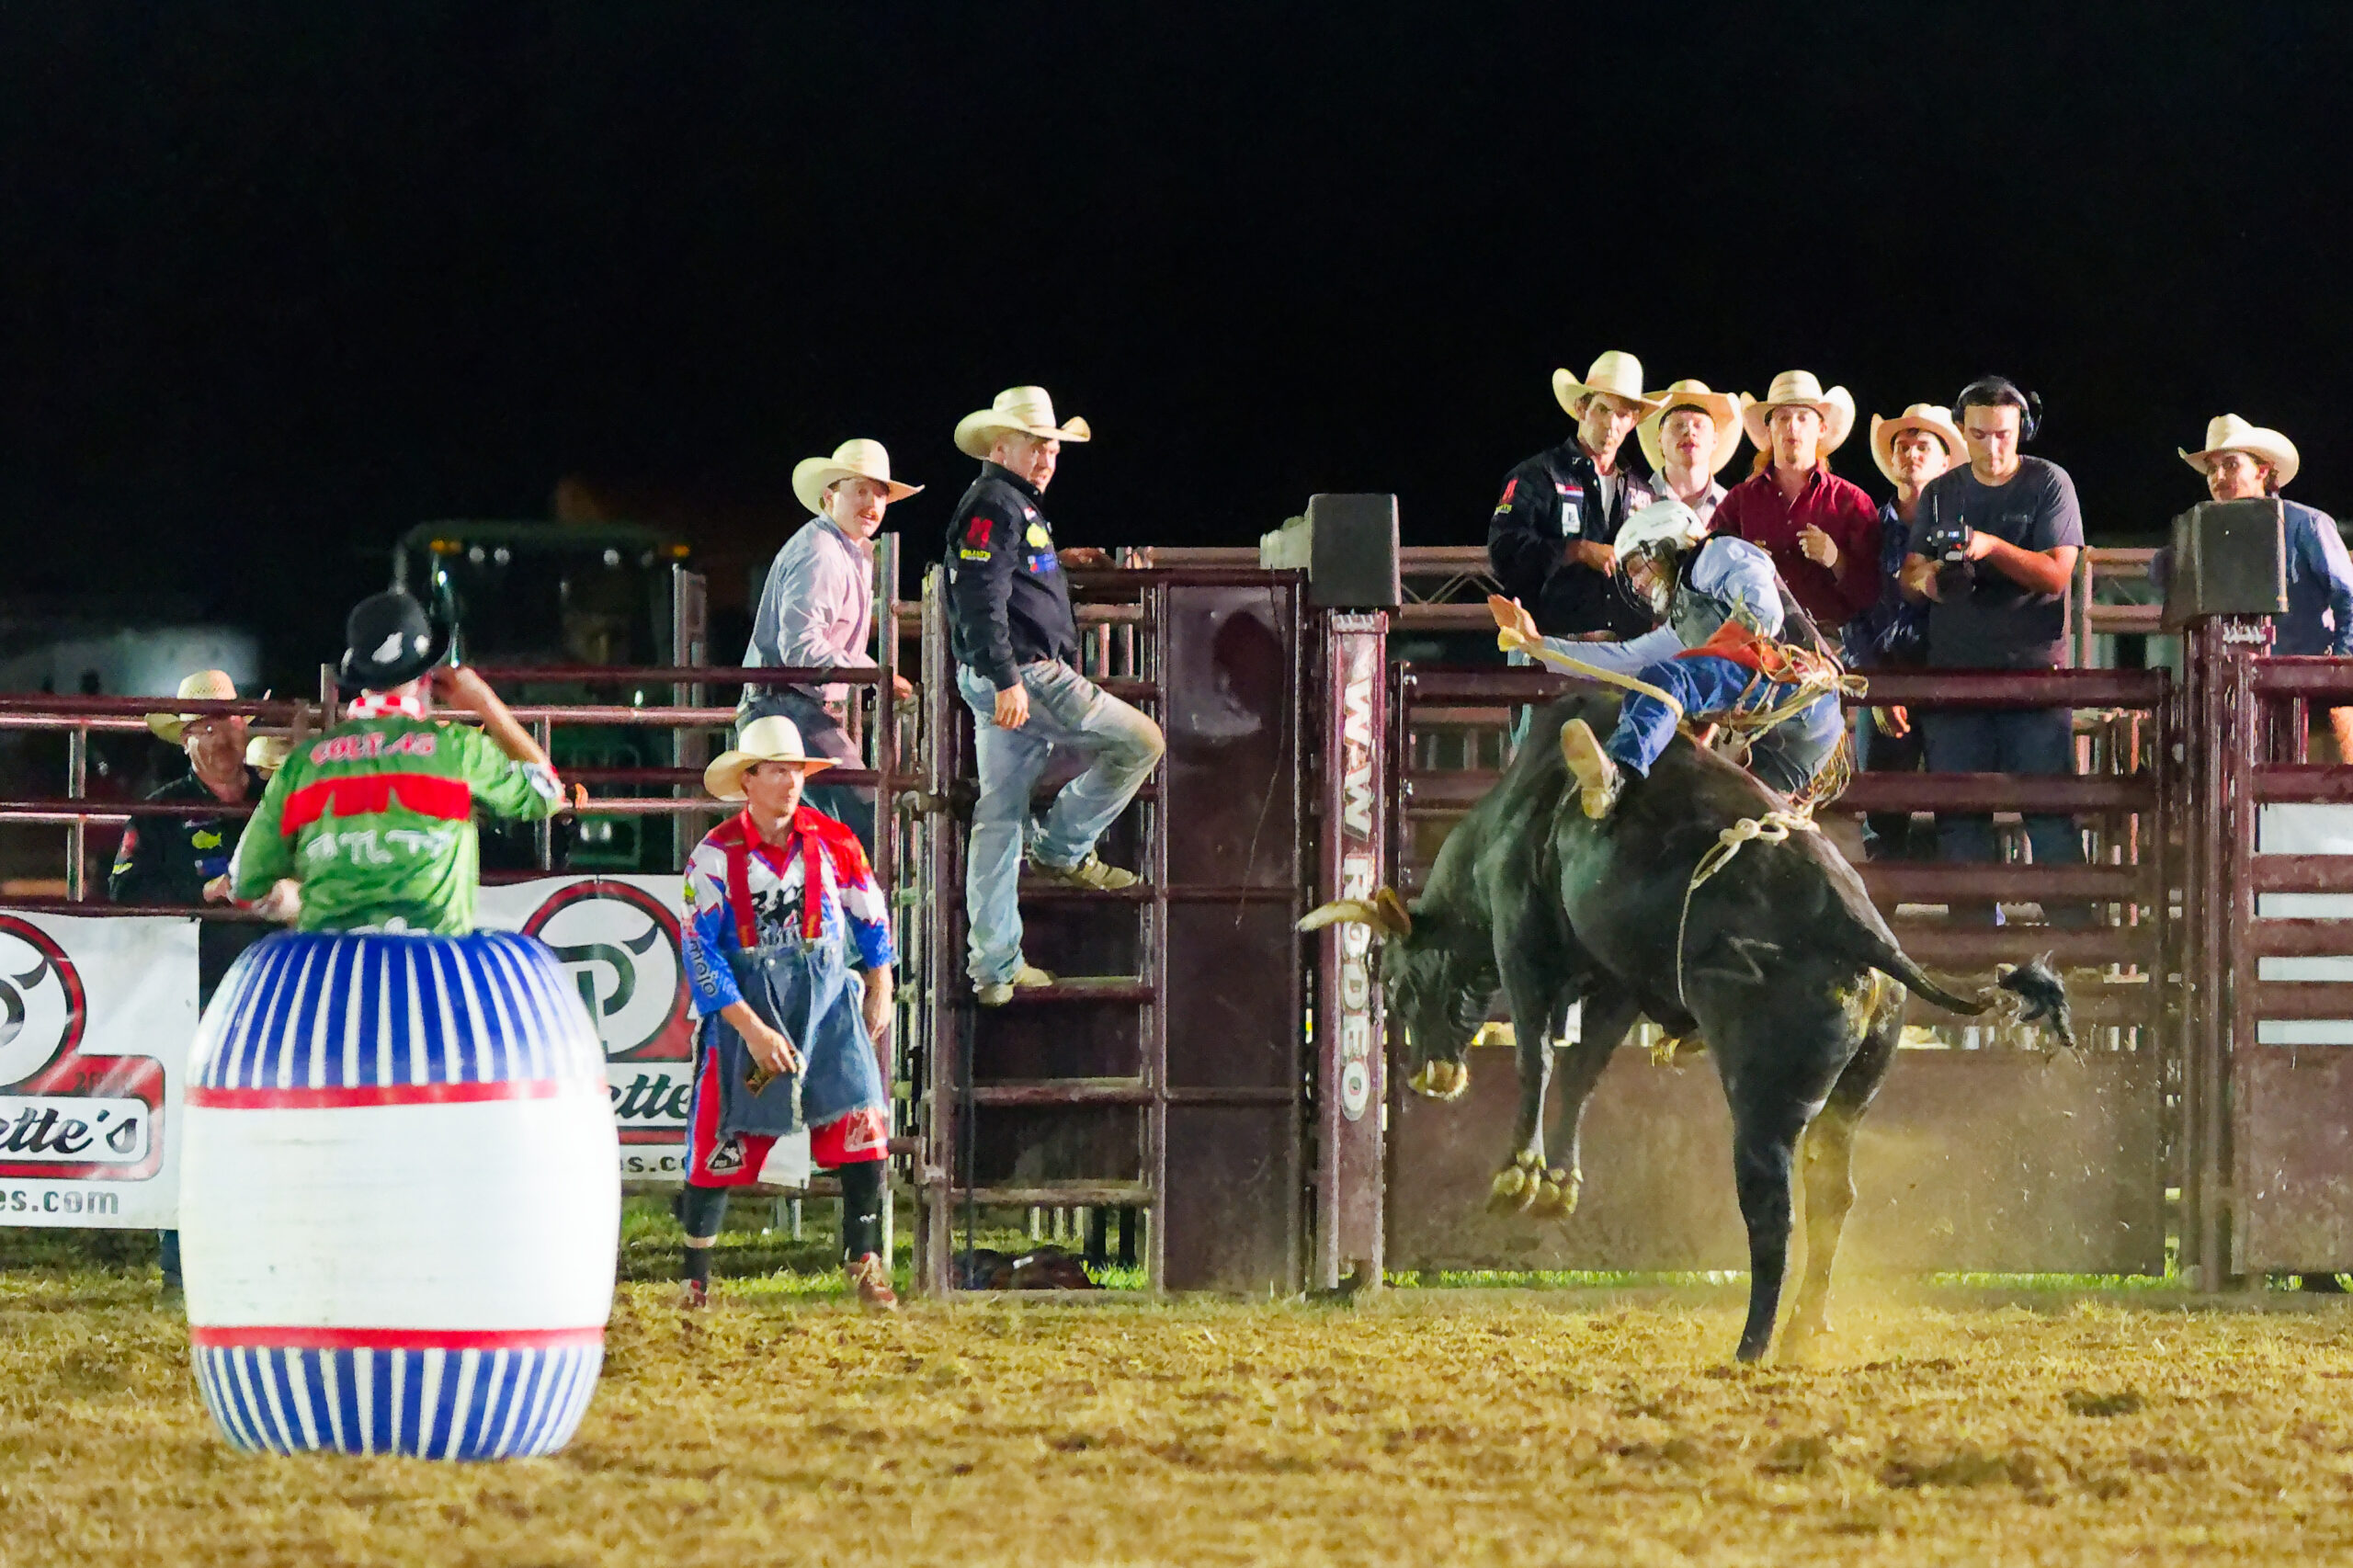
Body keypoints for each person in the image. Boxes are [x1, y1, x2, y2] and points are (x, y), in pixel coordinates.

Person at [944, 386, 1166, 1006]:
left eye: (1051, 446)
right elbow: (977, 593)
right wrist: (1007, 675)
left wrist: (1054, 565)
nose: (1047, 456)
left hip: (1009, 675)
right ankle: (1064, 847)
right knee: (1142, 740)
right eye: (1036, 444)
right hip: (1028, 675)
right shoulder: (997, 503)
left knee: (998, 816)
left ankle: (994, 968)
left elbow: (994, 580)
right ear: (1000, 446)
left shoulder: (1006, 505)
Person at [676, 716, 898, 1311]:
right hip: (753, 1003)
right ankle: (695, 1277)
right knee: (722, 1132)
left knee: (860, 1120)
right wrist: (747, 1026)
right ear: (749, 779)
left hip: (826, 1002)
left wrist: (881, 982)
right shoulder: (714, 856)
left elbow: (869, 912)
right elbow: (700, 949)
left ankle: (865, 1259)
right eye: (777, 770)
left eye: (796, 770)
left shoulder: (834, 839)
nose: (790, 781)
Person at [229, 590, 573, 935]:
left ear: (360, 679)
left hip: (335, 969)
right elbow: (548, 793)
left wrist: (296, 897)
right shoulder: (459, 750)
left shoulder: (303, 766)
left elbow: (245, 882)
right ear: (428, 677)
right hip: (433, 969)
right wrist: (485, 702)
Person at [109, 669, 296, 1296]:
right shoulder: (161, 812)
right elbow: (123, 891)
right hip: (201, 994)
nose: (221, 735)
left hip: (285, 993)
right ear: (185, 739)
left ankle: (278, 1258)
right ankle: (184, 1266)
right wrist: (203, 894)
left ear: (249, 724)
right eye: (205, 725)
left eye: (231, 718)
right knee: (199, 1128)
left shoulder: (284, 796)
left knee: (284, 1128)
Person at [1495, 501, 1851, 816]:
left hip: (1792, 688)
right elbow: (1622, 660)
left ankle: (1619, 770)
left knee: (1669, 680)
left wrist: (1706, 677)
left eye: (1637, 566)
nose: (1635, 584)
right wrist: (1538, 645)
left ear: (1665, 544)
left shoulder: (1713, 554)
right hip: (1805, 736)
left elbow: (1764, 613)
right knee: (1735, 820)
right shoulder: (1687, 616)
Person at [1896, 377, 2085, 925]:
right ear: (1962, 432)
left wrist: (1990, 548)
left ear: (2022, 430)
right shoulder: (1939, 492)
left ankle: (2076, 948)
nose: (1993, 446)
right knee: (1960, 818)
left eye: (2003, 434)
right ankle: (1975, 949)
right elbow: (1908, 574)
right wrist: (1929, 577)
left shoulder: (2050, 481)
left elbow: (2056, 575)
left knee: (2048, 815)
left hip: (2031, 676)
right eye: (1980, 435)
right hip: (1955, 676)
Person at [739, 438, 922, 849]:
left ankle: (835, 904)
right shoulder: (822, 552)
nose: (872, 502)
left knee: (833, 827)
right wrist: (870, 675)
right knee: (868, 816)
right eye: (860, 489)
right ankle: (865, 905)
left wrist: (875, 672)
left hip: (787, 705)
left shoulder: (843, 549)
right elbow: (801, 649)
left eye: (880, 492)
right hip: (787, 707)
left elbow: (817, 642)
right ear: (830, 495)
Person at [2178, 415, 2353, 759]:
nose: (2219, 477)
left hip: (2310, 695)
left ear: (2262, 471)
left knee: (2325, 789)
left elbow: (2349, 596)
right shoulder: (2207, 535)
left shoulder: (2306, 525)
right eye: (2212, 469)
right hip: (2237, 698)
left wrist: (2339, 667)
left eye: (2230, 465)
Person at [1847, 405, 1969, 858]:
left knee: (1961, 809)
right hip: (1888, 675)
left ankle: (1975, 920)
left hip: (1949, 679)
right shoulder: (1865, 529)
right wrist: (1875, 682)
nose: (1911, 454)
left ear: (1943, 462)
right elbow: (1850, 606)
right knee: (1882, 816)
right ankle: (1884, 922)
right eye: (1902, 446)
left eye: (1923, 447)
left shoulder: (1965, 532)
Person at [1486, 352, 1664, 642]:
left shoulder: (1642, 492)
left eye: (1622, 415)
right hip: (1548, 643)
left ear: (1632, 422)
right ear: (1582, 409)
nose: (1612, 424)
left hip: (1624, 648)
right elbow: (1503, 551)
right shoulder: (1538, 475)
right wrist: (1577, 550)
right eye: (1603, 409)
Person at [1712, 370, 1882, 636]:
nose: (1793, 426)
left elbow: (1873, 595)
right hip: (1756, 647)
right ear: (1769, 430)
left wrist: (1836, 560)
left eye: (1803, 417)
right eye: (1783, 418)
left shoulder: (1853, 503)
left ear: (1821, 429)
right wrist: (1741, 562)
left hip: (1832, 650)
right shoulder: (1738, 501)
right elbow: (1706, 570)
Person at [1634, 379, 1745, 526]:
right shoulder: (1633, 504)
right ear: (1659, 439)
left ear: (1714, 440)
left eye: (1699, 425)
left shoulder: (1735, 512)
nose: (1689, 431)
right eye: (1678, 425)